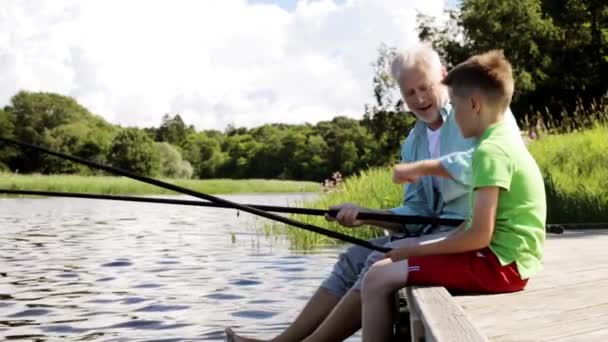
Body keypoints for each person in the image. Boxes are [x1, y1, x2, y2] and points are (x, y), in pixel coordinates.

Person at [225, 45, 520, 342]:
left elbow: (490, 161)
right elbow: (416, 214)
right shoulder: (414, 142)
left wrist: (426, 168)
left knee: (375, 265)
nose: (419, 98)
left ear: (444, 77)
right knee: (353, 257)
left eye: (425, 87)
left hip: (468, 235)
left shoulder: (477, 110)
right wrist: (366, 216)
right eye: (409, 92)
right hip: (432, 231)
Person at [360, 50, 547, 342]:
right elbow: (471, 226)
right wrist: (412, 245)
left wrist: (413, 250)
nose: (453, 118)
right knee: (383, 268)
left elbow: (479, 237)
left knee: (377, 278)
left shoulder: (490, 152)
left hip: (500, 266)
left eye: (456, 108)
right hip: (503, 261)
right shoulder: (495, 143)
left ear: (474, 105)